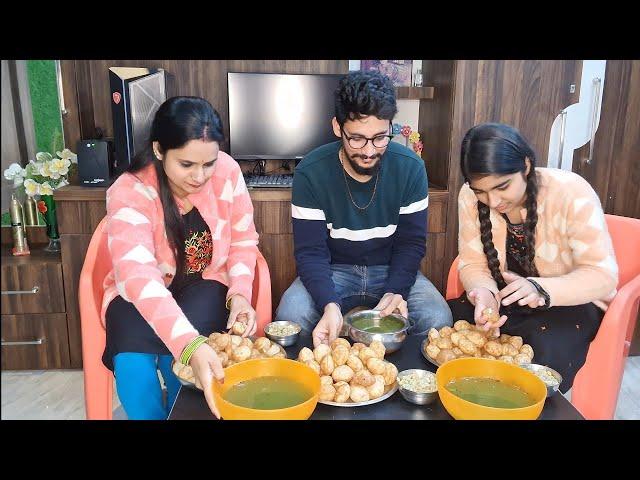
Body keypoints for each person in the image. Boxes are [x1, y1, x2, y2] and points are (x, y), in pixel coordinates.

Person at [101, 96, 260, 419]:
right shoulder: (130, 191)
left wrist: (240, 293)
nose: (200, 176)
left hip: (204, 283)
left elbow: (243, 240)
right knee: (133, 364)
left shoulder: (227, 172)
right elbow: (139, 278)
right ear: (159, 150)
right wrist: (187, 344)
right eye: (186, 164)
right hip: (139, 294)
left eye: (209, 163)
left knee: (186, 372)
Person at [275, 70, 452, 347]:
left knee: (437, 318)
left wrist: (397, 290)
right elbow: (311, 252)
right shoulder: (311, 172)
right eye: (356, 138)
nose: (369, 151)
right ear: (337, 127)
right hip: (335, 269)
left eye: (380, 137)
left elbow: (411, 244)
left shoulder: (411, 168)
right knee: (291, 314)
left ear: (390, 127)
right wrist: (329, 304)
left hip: (390, 267)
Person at [450, 122, 618, 392]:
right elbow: (473, 264)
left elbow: (603, 277)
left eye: (502, 186)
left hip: (570, 304)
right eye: (481, 191)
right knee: (446, 327)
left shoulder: (570, 192)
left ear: (526, 166)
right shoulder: (469, 196)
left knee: (534, 365)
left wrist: (540, 289)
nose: (493, 201)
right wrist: (483, 294)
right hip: (507, 298)